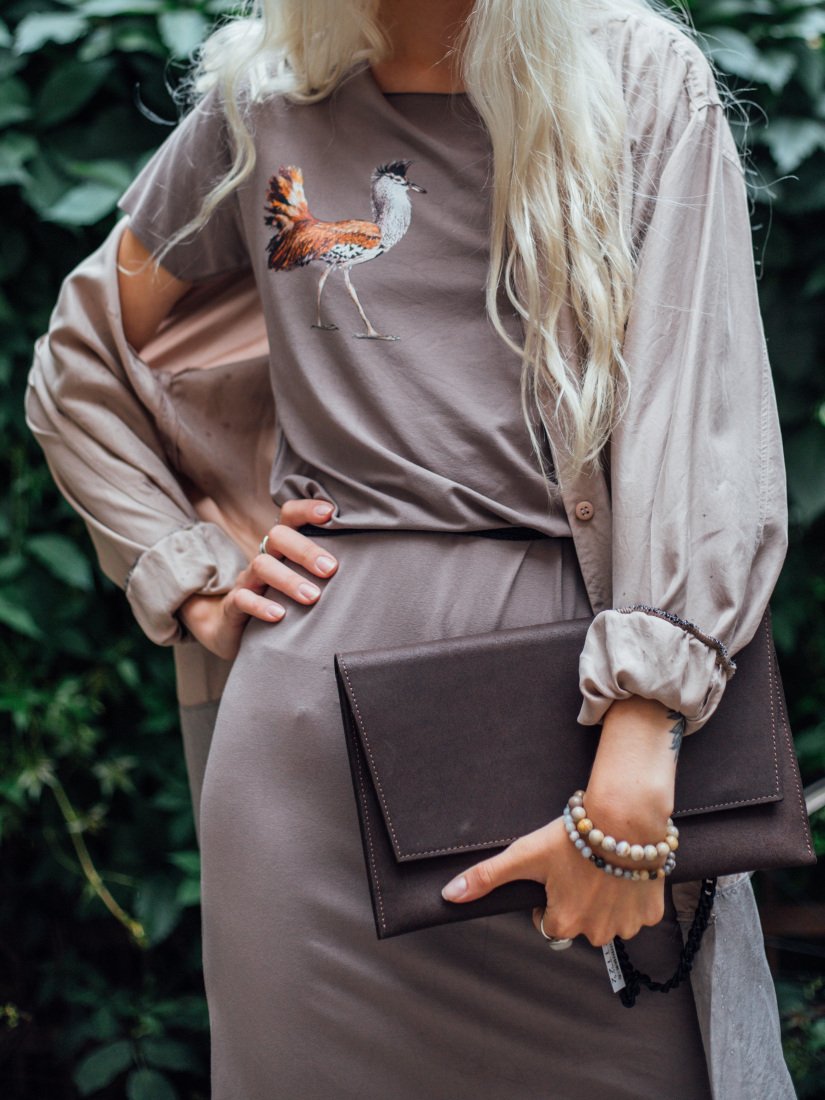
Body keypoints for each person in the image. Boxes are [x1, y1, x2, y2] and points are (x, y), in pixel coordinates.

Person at [26, 0, 796, 1096]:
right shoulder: (265, 96)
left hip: (585, 765)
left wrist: (641, 742)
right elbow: (81, 357)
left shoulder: (636, 72)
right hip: (308, 791)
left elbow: (700, 410)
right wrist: (187, 565)